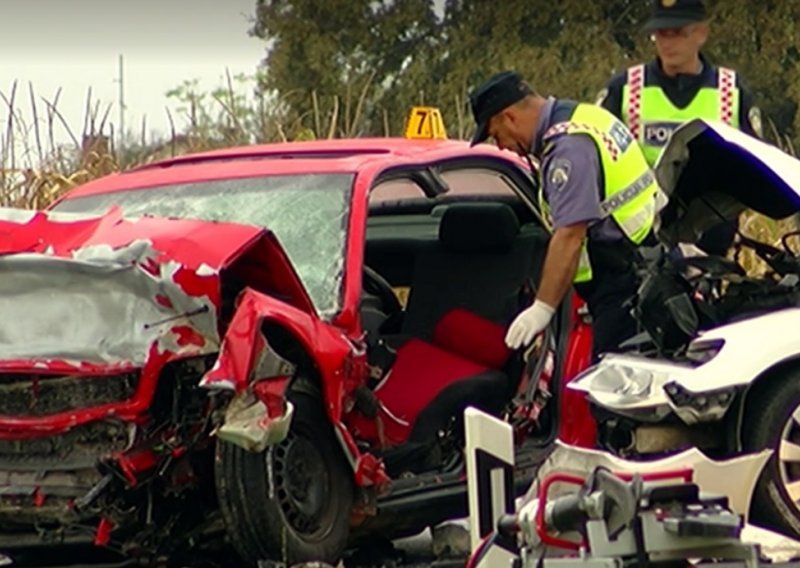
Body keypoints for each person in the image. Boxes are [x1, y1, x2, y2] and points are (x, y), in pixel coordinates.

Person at [468, 70, 664, 361]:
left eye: (496, 135)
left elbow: (571, 235)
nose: (500, 146)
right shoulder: (585, 117)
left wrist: (542, 308)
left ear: (509, 117)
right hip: (648, 269)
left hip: (625, 287)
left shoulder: (568, 149)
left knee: (614, 398)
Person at [597, 0, 762, 256]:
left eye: (678, 33)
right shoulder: (624, 89)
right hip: (641, 237)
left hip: (711, 239)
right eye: (662, 33)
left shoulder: (732, 91)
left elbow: (757, 165)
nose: (668, 43)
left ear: (701, 33)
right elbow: (596, 156)